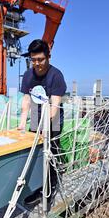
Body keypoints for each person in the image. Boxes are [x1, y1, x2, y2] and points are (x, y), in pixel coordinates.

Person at [18, 39, 67, 206]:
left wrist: (46, 127)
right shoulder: (28, 75)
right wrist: (22, 124)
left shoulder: (56, 75)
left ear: (48, 57)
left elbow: (55, 105)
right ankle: (35, 187)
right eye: (33, 60)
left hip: (52, 120)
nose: (37, 64)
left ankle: (48, 190)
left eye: (40, 59)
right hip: (35, 116)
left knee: (49, 153)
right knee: (35, 154)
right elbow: (25, 100)